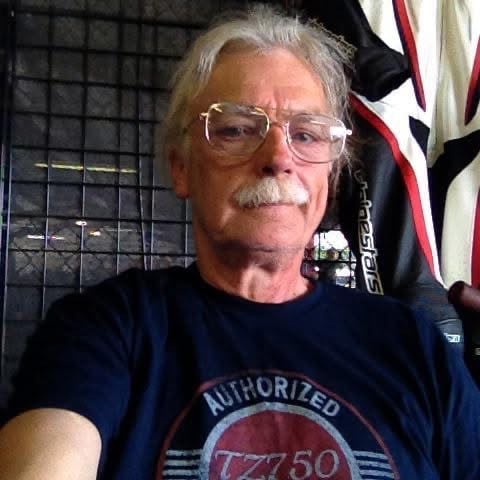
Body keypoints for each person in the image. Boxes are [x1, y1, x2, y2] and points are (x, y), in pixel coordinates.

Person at [0, 4, 479, 479]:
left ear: (331, 176)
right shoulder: (106, 331)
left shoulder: (413, 346)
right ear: (182, 167)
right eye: (236, 129)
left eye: (307, 135)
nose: (278, 157)